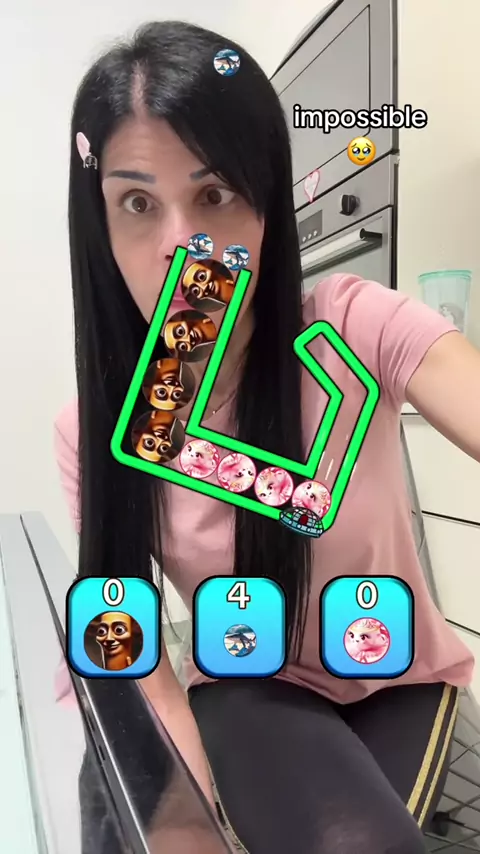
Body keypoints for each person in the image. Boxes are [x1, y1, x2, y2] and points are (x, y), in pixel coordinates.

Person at [54, 19, 480, 854]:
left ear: (265, 206)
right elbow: (133, 650)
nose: (181, 246)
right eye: (137, 203)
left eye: (214, 195)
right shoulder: (94, 428)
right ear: (98, 227)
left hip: (401, 678)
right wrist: (192, 816)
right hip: (247, 683)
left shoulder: (353, 327)